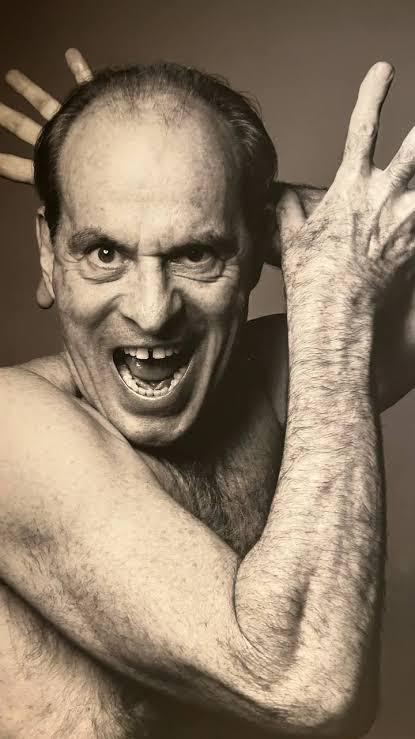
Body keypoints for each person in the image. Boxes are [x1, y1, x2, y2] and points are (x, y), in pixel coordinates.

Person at [1, 50, 415, 738]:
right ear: (49, 255)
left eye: (195, 253)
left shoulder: (274, 386)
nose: (151, 311)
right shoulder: (12, 432)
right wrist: (331, 296)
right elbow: (305, 681)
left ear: (250, 250)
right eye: (104, 252)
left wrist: (257, 202)